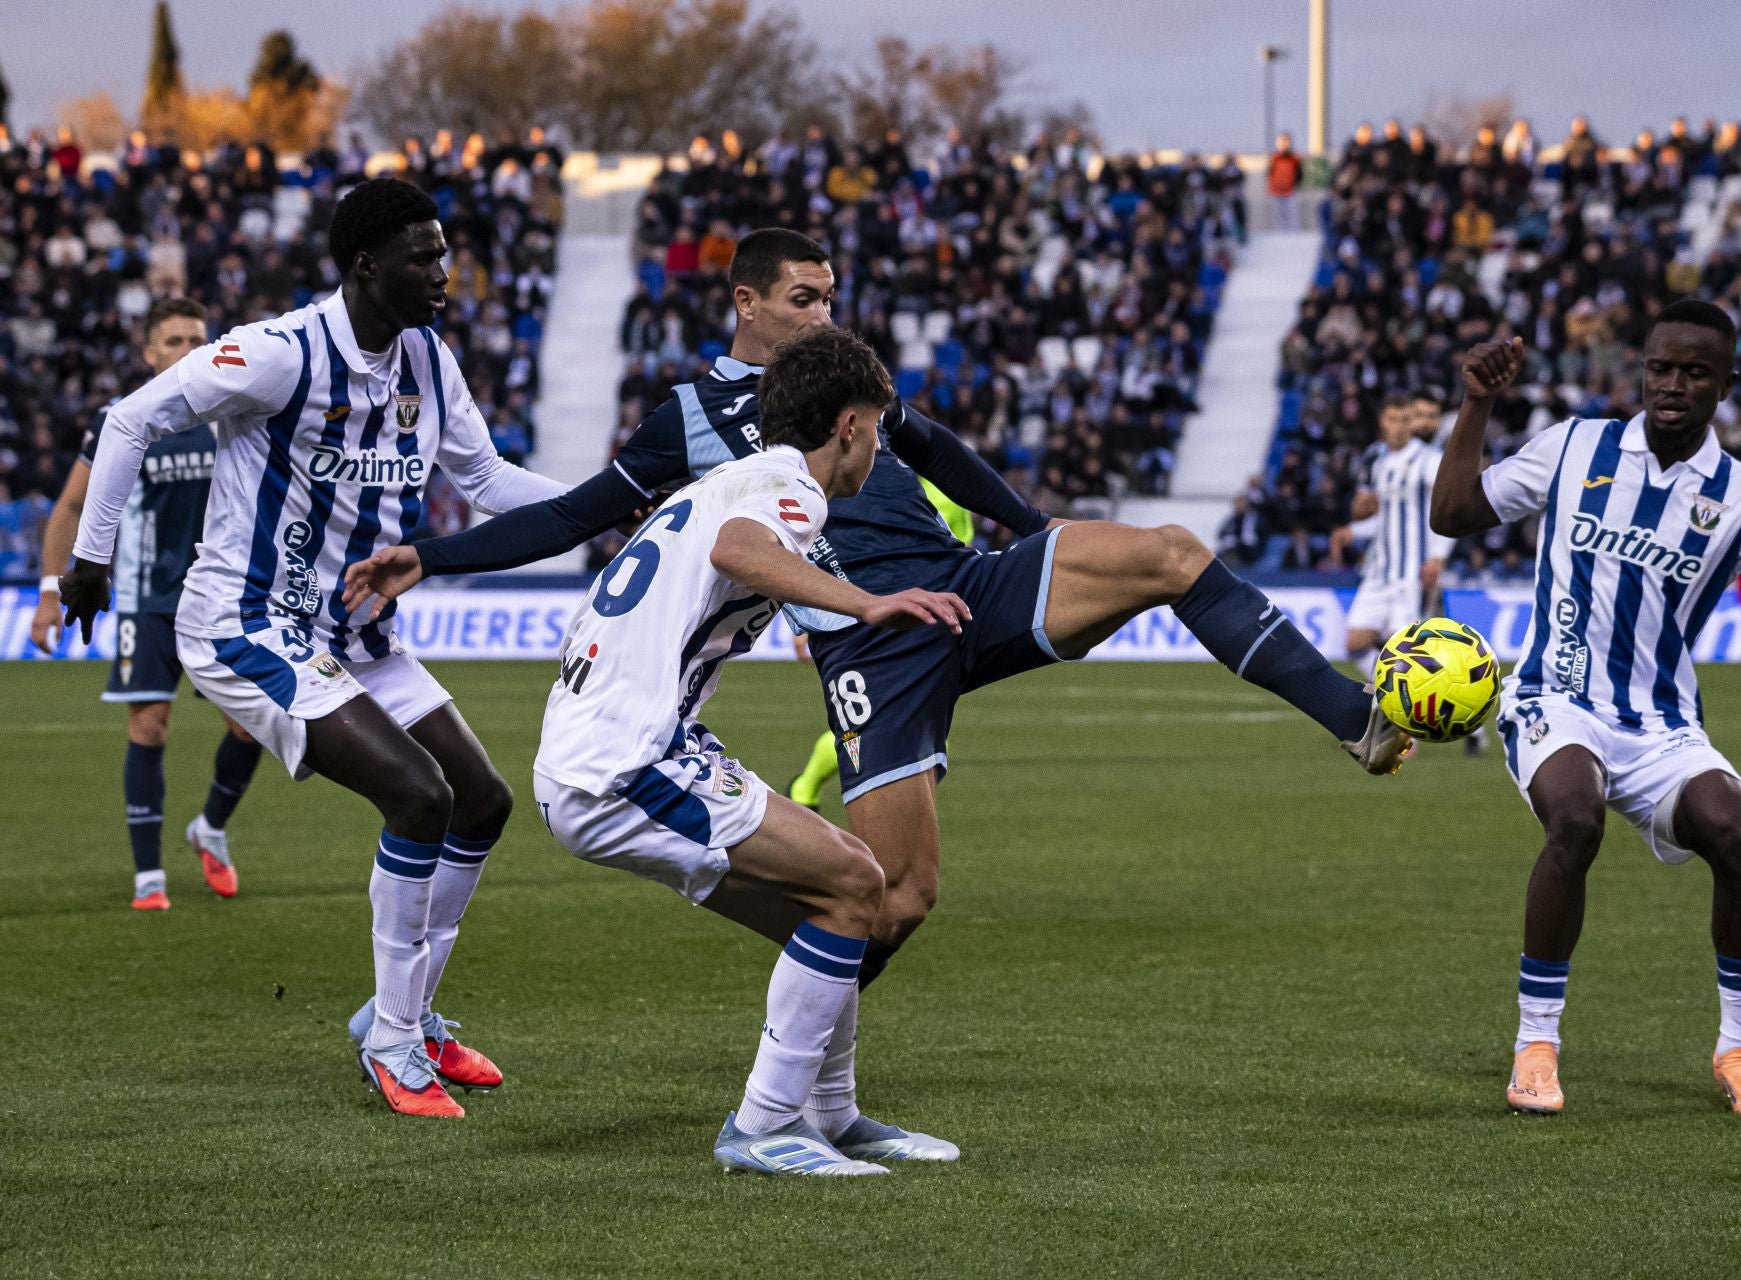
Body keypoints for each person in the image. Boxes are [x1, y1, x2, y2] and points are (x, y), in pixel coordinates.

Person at [345, 227, 1411, 1137]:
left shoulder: (844, 383)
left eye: (830, 297)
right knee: (890, 900)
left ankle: (1354, 718)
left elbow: (938, 447)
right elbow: (570, 515)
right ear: (747, 301)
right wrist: (428, 557)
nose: (820, 313)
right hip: (874, 653)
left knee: (1170, 552)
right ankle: (804, 1096)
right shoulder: (693, 416)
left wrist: (1040, 535)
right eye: (802, 297)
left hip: (963, 588)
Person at [60, 178, 572, 1118]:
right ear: (367, 265)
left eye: (444, 251)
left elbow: (489, 480)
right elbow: (128, 419)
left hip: (356, 632)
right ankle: (391, 1042)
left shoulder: (428, 359)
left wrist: (611, 500)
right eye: (424, 255)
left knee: (483, 801)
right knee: (419, 796)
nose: (444, 273)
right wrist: (89, 561)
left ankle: (405, 1013)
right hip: (244, 623)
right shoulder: (277, 353)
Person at [536, 328, 969, 1174]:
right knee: (854, 882)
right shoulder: (793, 491)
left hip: (611, 745)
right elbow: (742, 553)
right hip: (627, 757)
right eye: (877, 430)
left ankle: (832, 1115)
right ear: (849, 426)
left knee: (837, 901)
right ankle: (764, 1126)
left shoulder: (733, 479)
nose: (877, 450)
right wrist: (868, 604)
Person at [1430, 303, 1741, 1118]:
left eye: (1695, 373)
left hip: (1662, 722)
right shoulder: (1574, 449)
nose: (1673, 386)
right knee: (1575, 817)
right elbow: (1451, 513)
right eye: (1661, 368)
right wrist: (1475, 405)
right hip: (1553, 697)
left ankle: (1738, 1052)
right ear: (1643, 368)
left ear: (1726, 386)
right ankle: (1537, 1043)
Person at [33, 297, 264, 910]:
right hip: (144, 598)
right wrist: (51, 593)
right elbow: (70, 508)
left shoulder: (238, 413)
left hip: (224, 597)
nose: (188, 351)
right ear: (149, 351)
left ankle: (210, 826)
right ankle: (148, 878)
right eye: (174, 341)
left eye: (197, 338)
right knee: (149, 725)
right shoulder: (121, 419)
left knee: (252, 724)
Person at [788, 476, 972, 812]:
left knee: (919, 727)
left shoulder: (947, 492)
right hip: (870, 626)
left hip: (927, 623)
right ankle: (807, 787)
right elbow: (825, 560)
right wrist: (804, 629)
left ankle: (814, 788)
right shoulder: (863, 490)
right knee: (871, 724)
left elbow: (962, 551)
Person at [1341, 394, 1452, 673]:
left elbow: (1445, 512)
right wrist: (1352, 530)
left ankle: (1414, 701)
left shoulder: (1430, 460)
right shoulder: (1378, 462)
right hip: (1379, 571)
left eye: (1405, 420)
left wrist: (1438, 556)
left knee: (1406, 650)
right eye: (1393, 419)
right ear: (1382, 422)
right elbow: (1382, 517)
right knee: (1356, 642)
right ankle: (1392, 694)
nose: (1400, 426)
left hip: (1412, 572)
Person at [1267, 133, 1304, 231]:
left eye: (1286, 142)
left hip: (1290, 191)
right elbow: (1270, 173)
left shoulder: (1295, 158)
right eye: (1281, 142)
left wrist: (1296, 185)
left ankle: (1293, 235)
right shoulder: (1274, 158)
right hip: (1276, 191)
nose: (1284, 144)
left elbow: (1299, 174)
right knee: (1277, 215)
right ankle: (1278, 235)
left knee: (1292, 214)